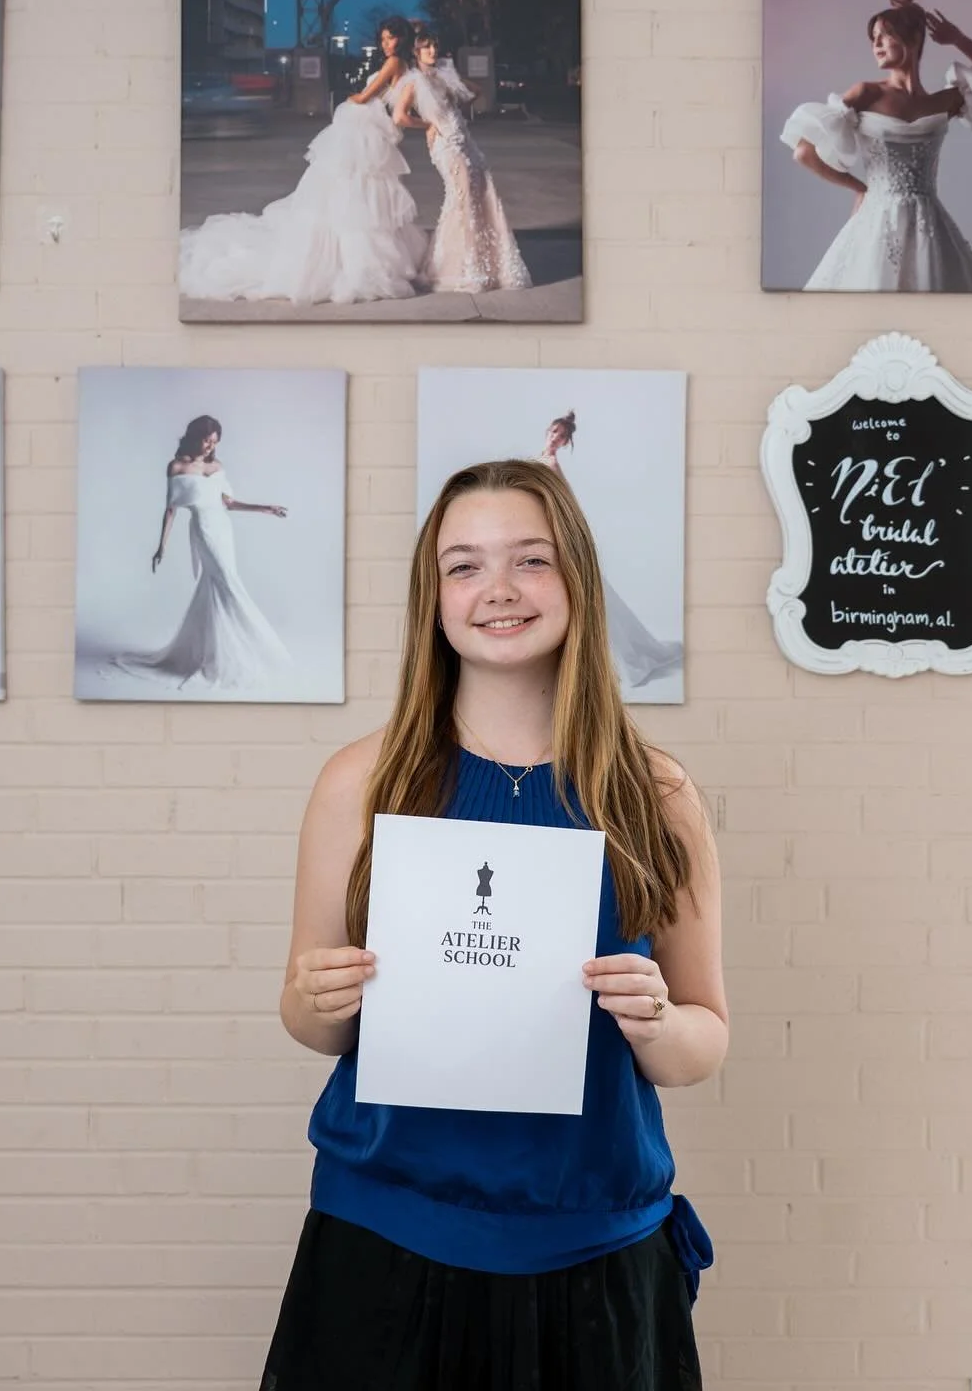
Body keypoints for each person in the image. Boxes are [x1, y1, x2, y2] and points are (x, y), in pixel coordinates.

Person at [262, 459, 727, 1390]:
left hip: (595, 1246)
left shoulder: (658, 794)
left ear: (577, 579)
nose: (500, 589)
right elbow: (312, 1025)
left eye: (531, 560)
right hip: (385, 1236)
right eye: (465, 566)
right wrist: (320, 997)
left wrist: (656, 1020)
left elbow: (701, 1044)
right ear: (432, 599)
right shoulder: (360, 782)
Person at [781, 0, 972, 292]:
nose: (876, 44)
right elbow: (803, 152)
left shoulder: (945, 101)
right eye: (873, 38)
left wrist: (959, 39)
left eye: (884, 35)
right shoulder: (866, 93)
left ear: (914, 39)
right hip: (875, 225)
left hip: (929, 229)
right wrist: (860, 188)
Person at [179, 17, 427, 306]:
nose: (385, 44)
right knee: (360, 191)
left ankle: (342, 256)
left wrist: (353, 98)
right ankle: (359, 257)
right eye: (383, 39)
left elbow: (364, 97)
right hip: (370, 132)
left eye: (390, 38)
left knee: (347, 187)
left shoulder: (394, 63)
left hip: (364, 131)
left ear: (402, 39)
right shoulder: (406, 67)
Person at [110, 414, 290, 692]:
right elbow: (171, 509)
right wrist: (161, 546)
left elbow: (228, 503)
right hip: (203, 529)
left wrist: (265, 508)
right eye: (206, 440)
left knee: (218, 586)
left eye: (214, 442)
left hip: (223, 529)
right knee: (229, 583)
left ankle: (219, 654)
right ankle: (258, 647)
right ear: (195, 437)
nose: (210, 446)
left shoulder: (217, 466)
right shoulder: (177, 467)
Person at [540, 412, 684, 689]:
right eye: (554, 432)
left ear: (566, 442)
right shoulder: (536, 460)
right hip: (545, 539)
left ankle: (621, 662)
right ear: (548, 430)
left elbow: (567, 506)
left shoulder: (551, 465)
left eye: (561, 436)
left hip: (559, 538)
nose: (555, 438)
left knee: (589, 599)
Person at [392, 26, 531, 295]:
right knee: (462, 198)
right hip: (445, 145)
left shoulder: (445, 74)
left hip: (466, 140)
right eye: (426, 47)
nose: (432, 51)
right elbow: (400, 116)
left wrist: (456, 101)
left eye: (434, 45)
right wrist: (428, 124)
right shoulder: (413, 81)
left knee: (483, 192)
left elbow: (476, 90)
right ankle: (459, 268)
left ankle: (489, 264)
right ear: (416, 52)